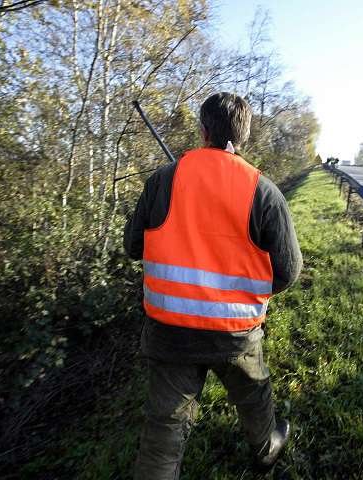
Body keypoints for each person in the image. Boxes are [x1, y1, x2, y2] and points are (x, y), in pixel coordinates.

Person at [124, 92, 303, 479]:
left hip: (169, 333)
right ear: (245, 135)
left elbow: (132, 246)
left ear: (203, 130)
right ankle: (267, 449)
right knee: (254, 397)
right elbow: (288, 271)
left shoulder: (162, 180)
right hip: (235, 334)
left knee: (164, 430)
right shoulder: (264, 190)